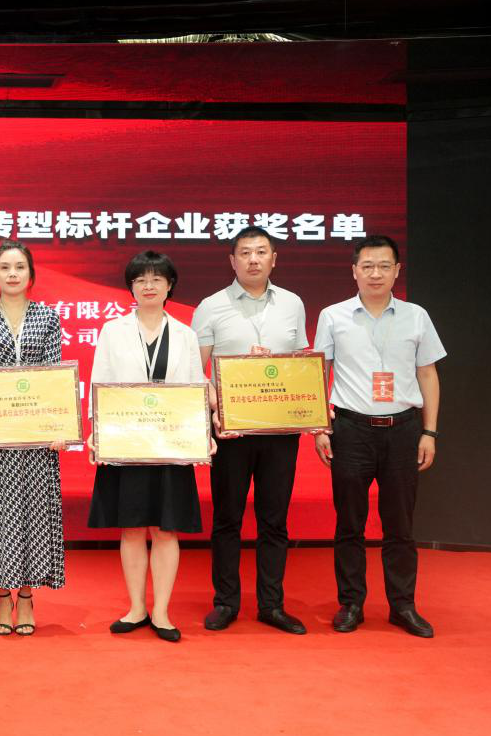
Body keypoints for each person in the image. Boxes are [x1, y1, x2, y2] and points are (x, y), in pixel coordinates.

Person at [313, 235, 444, 638]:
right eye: (367, 266)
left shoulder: (416, 316)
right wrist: (320, 427)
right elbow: (319, 372)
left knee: (400, 525)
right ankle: (351, 603)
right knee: (349, 524)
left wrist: (429, 431)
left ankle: (403, 606)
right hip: (350, 429)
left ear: (397, 271)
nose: (375, 273)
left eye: (384, 266)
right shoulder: (333, 316)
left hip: (403, 429)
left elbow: (428, 374)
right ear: (354, 270)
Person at [190, 226, 310, 635]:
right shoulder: (211, 306)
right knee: (227, 518)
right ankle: (226, 602)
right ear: (232, 260)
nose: (253, 259)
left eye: (261, 252)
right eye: (245, 253)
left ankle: (271, 605)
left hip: (279, 430)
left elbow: (300, 364)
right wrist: (215, 410)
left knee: (274, 520)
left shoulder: (292, 304)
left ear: (274, 258)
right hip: (231, 433)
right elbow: (196, 371)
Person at [88, 250, 210, 643]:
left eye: (157, 278)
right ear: (131, 287)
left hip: (171, 444)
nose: (149, 286)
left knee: (166, 530)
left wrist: (202, 433)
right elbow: (100, 384)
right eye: (140, 279)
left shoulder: (186, 334)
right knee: (131, 529)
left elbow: (195, 387)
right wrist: (98, 432)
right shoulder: (113, 331)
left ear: (170, 285)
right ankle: (137, 607)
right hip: (127, 443)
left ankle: (162, 612)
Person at [0, 241, 67, 636]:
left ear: (31, 274)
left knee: (33, 514)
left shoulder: (47, 317)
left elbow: (55, 377)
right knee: (0, 514)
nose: (12, 273)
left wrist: (59, 427)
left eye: (19, 267)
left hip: (37, 439)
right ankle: (3, 597)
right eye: (5, 267)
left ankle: (26, 596)